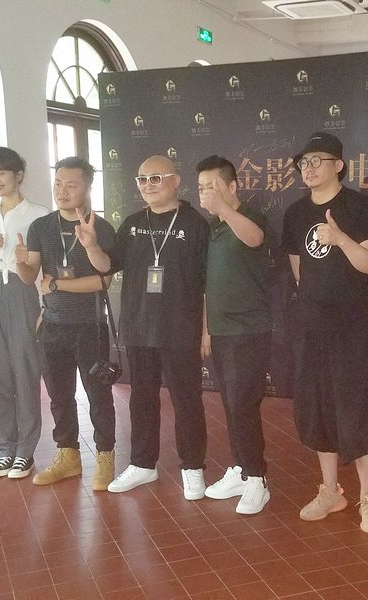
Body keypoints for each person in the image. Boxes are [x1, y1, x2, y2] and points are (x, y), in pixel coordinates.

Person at [83, 155, 210, 500]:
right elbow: (107, 266)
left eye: (156, 178)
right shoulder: (133, 223)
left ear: (175, 181)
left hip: (180, 327)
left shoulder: (195, 224)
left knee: (187, 400)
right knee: (141, 398)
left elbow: (208, 283)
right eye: (142, 180)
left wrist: (206, 329)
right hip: (139, 327)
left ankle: (193, 467)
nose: (148, 186)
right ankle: (142, 463)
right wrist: (91, 246)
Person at [281, 132, 368, 534]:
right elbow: (298, 270)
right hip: (311, 325)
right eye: (303, 163)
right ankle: (330, 490)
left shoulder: (357, 206)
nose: (308, 168)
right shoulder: (295, 213)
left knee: (355, 407)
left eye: (317, 161)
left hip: (350, 325)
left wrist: (340, 238)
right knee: (319, 407)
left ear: (338, 165)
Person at [17, 157, 118, 490]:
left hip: (90, 325)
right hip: (52, 325)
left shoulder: (101, 228)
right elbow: (32, 276)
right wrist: (20, 264)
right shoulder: (41, 227)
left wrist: (58, 284)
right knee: (59, 396)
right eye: (58, 183)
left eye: (71, 184)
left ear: (87, 187)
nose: (62, 190)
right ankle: (68, 456)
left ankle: (105, 456)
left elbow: (102, 280)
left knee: (98, 395)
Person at [196, 155, 272, 515]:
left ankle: (258, 478)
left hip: (249, 330)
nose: (205, 194)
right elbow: (208, 286)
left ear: (232, 186)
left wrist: (224, 210)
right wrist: (206, 329)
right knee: (230, 405)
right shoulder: (211, 228)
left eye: (212, 187)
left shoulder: (250, 216)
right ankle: (241, 469)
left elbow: (255, 239)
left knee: (243, 405)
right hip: (221, 331)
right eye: (201, 188)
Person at [0, 147, 50, 479]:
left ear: (18, 175)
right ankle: (5, 449)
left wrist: (22, 259)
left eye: (0, 173)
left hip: (20, 290)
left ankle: (25, 452)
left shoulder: (39, 214)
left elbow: (38, 269)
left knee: (25, 370)